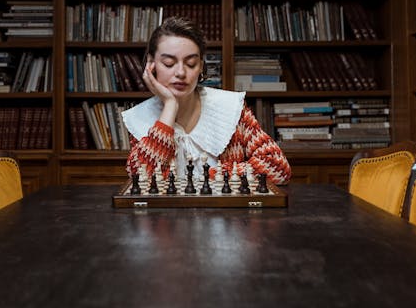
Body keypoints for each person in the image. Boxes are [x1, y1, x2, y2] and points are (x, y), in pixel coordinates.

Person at [121, 16, 291, 184]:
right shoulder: (139, 117)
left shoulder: (230, 108)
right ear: (151, 64)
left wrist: (209, 177)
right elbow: (141, 179)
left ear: (201, 66)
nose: (181, 72)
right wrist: (170, 107)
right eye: (168, 63)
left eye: (191, 63)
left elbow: (278, 167)